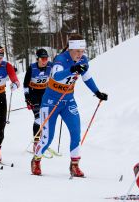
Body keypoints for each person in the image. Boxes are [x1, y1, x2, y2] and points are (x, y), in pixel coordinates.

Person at [31, 34, 108, 177]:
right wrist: (72, 69)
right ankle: (36, 160)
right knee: (47, 138)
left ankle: (74, 165)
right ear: (70, 49)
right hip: (51, 102)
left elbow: (86, 77)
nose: (80, 54)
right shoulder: (61, 59)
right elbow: (56, 76)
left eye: (82, 51)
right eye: (77, 51)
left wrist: (97, 92)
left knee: (76, 132)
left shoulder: (83, 60)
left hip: (68, 101)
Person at [23, 48, 53, 151]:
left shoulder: (50, 66)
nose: (45, 61)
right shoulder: (32, 68)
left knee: (45, 118)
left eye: (46, 58)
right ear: (37, 59)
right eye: (42, 59)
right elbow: (25, 85)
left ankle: (43, 141)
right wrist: (27, 98)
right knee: (38, 118)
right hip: (33, 94)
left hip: (45, 94)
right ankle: (36, 143)